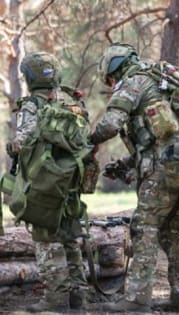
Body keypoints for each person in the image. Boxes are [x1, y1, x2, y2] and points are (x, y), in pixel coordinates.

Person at [90, 43, 179, 313]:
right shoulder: (159, 83)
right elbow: (157, 139)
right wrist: (124, 163)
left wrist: (89, 141)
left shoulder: (132, 82)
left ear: (113, 70)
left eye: (110, 80)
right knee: (172, 232)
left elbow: (111, 124)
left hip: (164, 169)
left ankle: (136, 299)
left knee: (144, 228)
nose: (111, 85)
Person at [8, 51, 89, 311]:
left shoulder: (31, 106)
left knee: (46, 239)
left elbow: (23, 141)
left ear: (30, 77)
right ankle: (79, 298)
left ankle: (55, 300)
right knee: (69, 239)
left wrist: (12, 146)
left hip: (45, 184)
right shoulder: (69, 102)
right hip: (69, 183)